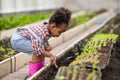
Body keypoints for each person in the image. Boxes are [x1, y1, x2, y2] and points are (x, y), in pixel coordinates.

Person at [10, 7, 71, 77]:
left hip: (24, 38)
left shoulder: (48, 29)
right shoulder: (41, 33)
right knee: (38, 51)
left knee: (42, 49)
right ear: (53, 26)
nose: (59, 35)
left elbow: (44, 39)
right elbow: (38, 49)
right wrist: (50, 55)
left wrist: (47, 45)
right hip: (19, 40)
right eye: (59, 32)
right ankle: (33, 74)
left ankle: (39, 70)